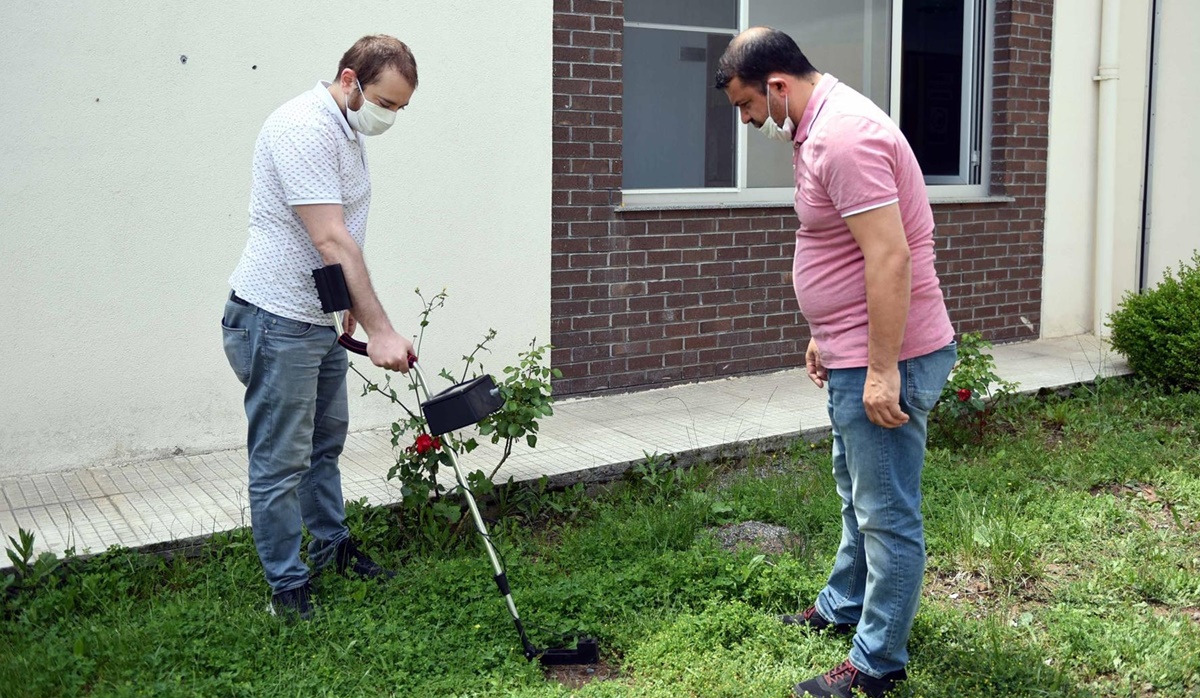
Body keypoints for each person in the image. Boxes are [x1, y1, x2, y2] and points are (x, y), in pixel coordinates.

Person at [716, 27, 957, 698]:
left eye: (747, 106)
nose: (746, 121)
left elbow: (890, 256)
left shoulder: (841, 137)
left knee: (886, 514)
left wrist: (882, 370)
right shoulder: (818, 125)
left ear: (778, 85)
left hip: (889, 357)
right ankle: (842, 606)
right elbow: (846, 246)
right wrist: (827, 329)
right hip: (855, 346)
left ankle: (876, 662)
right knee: (858, 496)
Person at [222, 34, 419, 621]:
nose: (391, 116)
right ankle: (287, 586)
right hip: (275, 319)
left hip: (318, 317)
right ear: (350, 79)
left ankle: (332, 547)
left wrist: (348, 304)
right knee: (280, 461)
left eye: (402, 109)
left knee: (323, 446)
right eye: (387, 102)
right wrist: (382, 330)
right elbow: (328, 236)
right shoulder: (304, 127)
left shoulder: (346, 128)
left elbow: (339, 242)